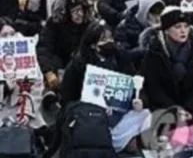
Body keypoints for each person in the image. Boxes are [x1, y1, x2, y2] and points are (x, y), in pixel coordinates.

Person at [60, 21, 150, 153]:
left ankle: (123, 143)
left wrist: (140, 100)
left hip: (118, 114)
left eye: (110, 38)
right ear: (92, 44)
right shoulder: (77, 65)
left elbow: (135, 85)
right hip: (90, 118)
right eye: (103, 40)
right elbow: (67, 100)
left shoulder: (120, 57)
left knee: (146, 115)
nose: (108, 42)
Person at [141, 7, 193, 126]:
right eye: (178, 27)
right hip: (166, 105)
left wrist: (190, 106)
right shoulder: (154, 52)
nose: (183, 31)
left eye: (186, 26)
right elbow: (153, 87)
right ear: (166, 30)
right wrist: (176, 109)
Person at [36, 0, 95, 92]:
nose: (79, 14)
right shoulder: (54, 24)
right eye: (74, 11)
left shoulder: (90, 25)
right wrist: (48, 71)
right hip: (59, 66)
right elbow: (44, 48)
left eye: (81, 10)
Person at [115, 0, 164, 64]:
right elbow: (122, 55)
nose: (157, 18)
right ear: (144, 11)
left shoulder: (165, 27)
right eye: (153, 13)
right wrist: (145, 50)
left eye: (160, 13)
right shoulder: (125, 26)